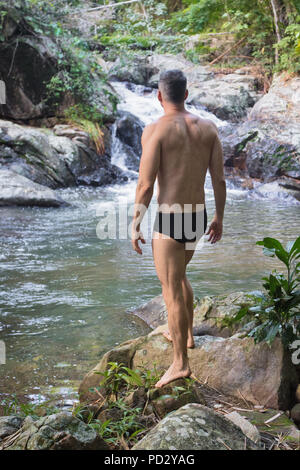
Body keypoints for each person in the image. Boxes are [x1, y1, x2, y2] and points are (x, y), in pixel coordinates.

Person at [131, 69, 226, 388]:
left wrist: (135, 222)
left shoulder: (155, 130)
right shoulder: (209, 128)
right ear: (186, 94)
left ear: (159, 96)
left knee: (170, 287)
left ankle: (180, 364)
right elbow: (219, 180)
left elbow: (145, 184)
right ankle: (183, 335)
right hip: (197, 215)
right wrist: (219, 218)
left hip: (171, 218)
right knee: (179, 276)